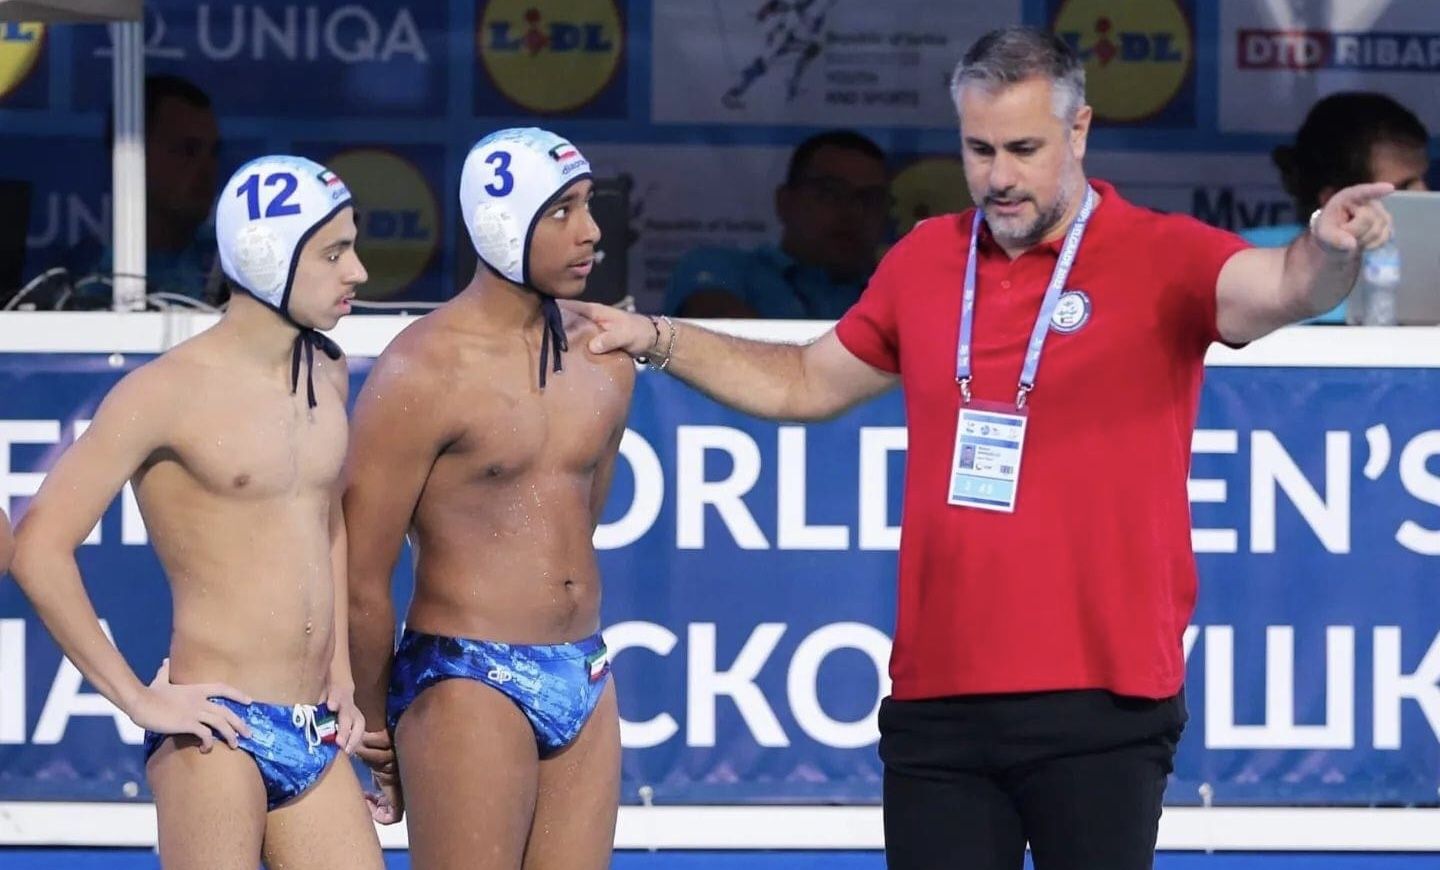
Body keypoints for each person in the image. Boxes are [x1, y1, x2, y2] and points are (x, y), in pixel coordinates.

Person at [575, 26, 1393, 870]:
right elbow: (804, 381)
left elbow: (1285, 286)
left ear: (1079, 131)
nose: (999, 175)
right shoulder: (926, 257)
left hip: (1103, 699)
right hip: (940, 700)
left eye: (1024, 149)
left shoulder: (1162, 252)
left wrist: (1328, 251)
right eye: (979, 149)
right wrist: (657, 337)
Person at [11, 156, 382, 869]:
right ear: (268, 257)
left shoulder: (328, 370)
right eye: (334, 253)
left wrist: (339, 667)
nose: (358, 272)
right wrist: (136, 699)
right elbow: (37, 547)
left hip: (312, 724)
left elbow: (325, 518)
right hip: (216, 730)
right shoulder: (164, 393)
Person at [345, 128, 633, 870]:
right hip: (466, 677)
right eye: (563, 211)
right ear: (503, 225)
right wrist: (375, 727)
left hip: (585, 669)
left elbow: (579, 525)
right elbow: (361, 575)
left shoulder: (606, 357)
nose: (591, 231)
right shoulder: (422, 370)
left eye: (588, 204)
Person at [1243, 91, 1429, 323]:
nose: (1425, 193)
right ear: (1335, 200)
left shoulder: (1430, 264)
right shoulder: (1247, 259)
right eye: (1404, 187)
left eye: (1424, 179)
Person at [663, 129, 889, 319]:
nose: (853, 211)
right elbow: (719, 339)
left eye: (870, 199)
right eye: (830, 193)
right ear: (785, 202)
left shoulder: (894, 292)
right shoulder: (720, 267)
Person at [71, 74, 223, 306]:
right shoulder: (81, 278)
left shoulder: (233, 268)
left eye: (213, 152)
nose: (207, 169)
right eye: (188, 150)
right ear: (131, 158)